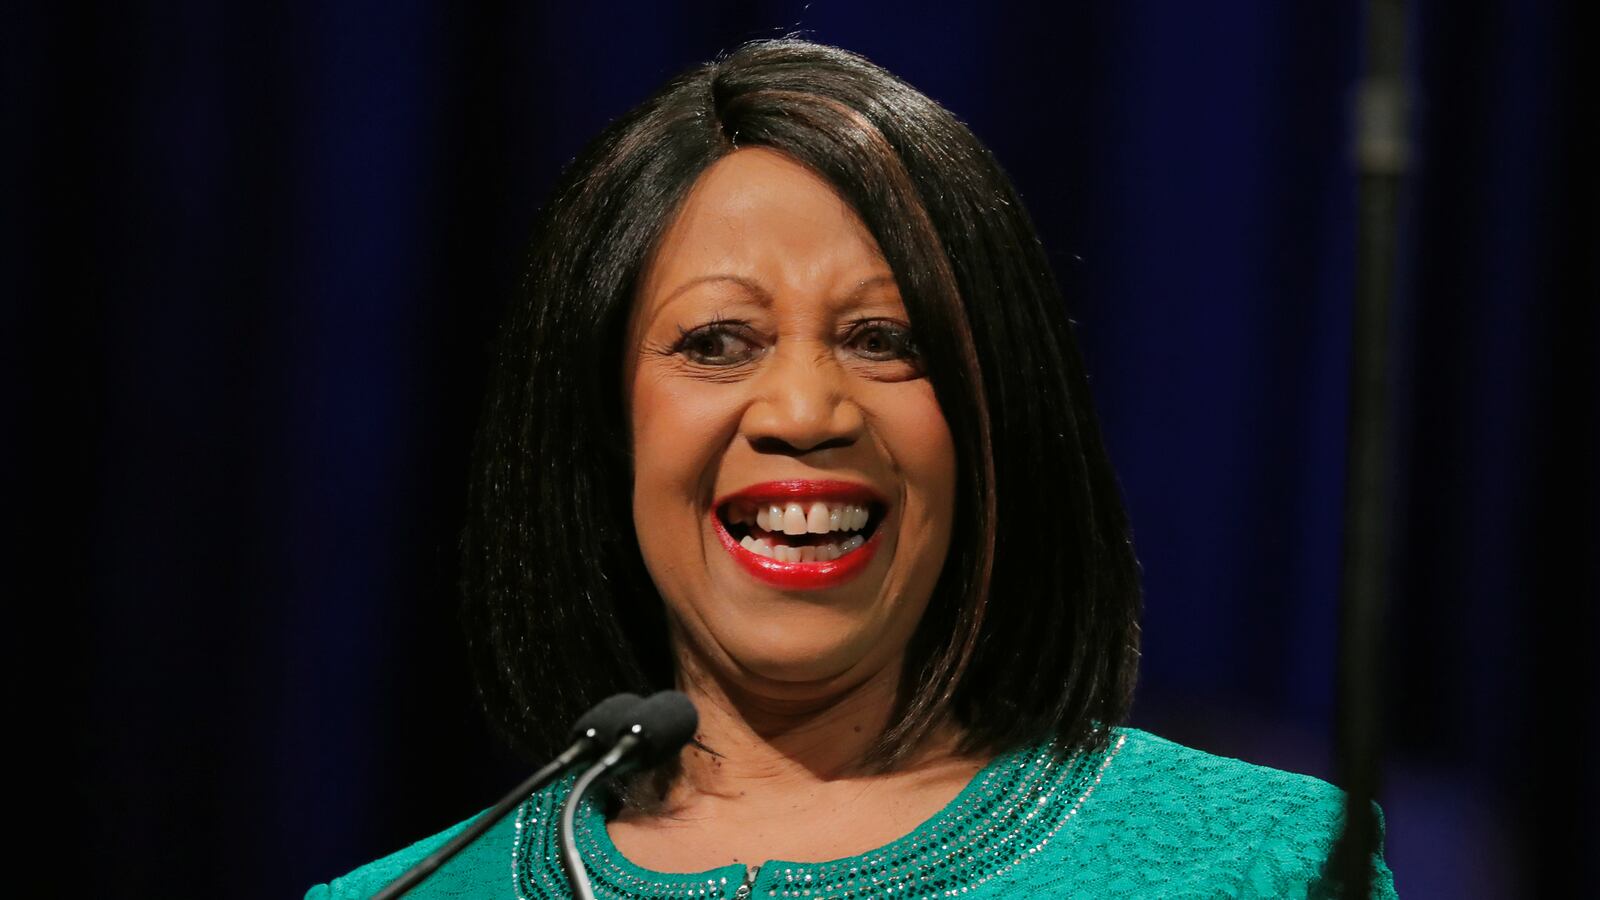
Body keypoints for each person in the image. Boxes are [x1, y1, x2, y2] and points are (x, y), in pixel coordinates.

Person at [308, 39, 1397, 899]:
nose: (804, 411)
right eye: (716, 341)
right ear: (604, 428)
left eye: (886, 340)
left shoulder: (1261, 868)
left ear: (990, 425)